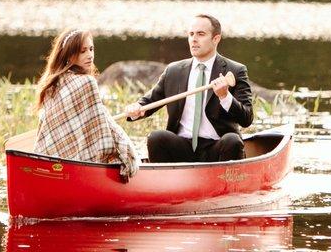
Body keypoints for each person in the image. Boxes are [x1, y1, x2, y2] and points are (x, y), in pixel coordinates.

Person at [125, 14, 252, 163]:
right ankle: (165, 184)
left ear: (216, 39)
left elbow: (247, 118)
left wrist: (225, 97)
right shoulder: (174, 70)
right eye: (191, 34)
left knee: (232, 140)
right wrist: (136, 109)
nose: (194, 39)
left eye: (201, 34)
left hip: (217, 147)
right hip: (182, 146)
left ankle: (225, 183)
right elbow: (149, 102)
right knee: (156, 137)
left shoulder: (236, 70)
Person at [33, 29, 139, 180]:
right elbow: (102, 129)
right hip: (81, 166)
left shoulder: (52, 83)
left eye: (91, 49)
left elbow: (96, 120)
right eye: (83, 51)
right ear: (69, 54)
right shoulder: (86, 82)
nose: (90, 55)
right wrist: (126, 153)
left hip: (53, 163)